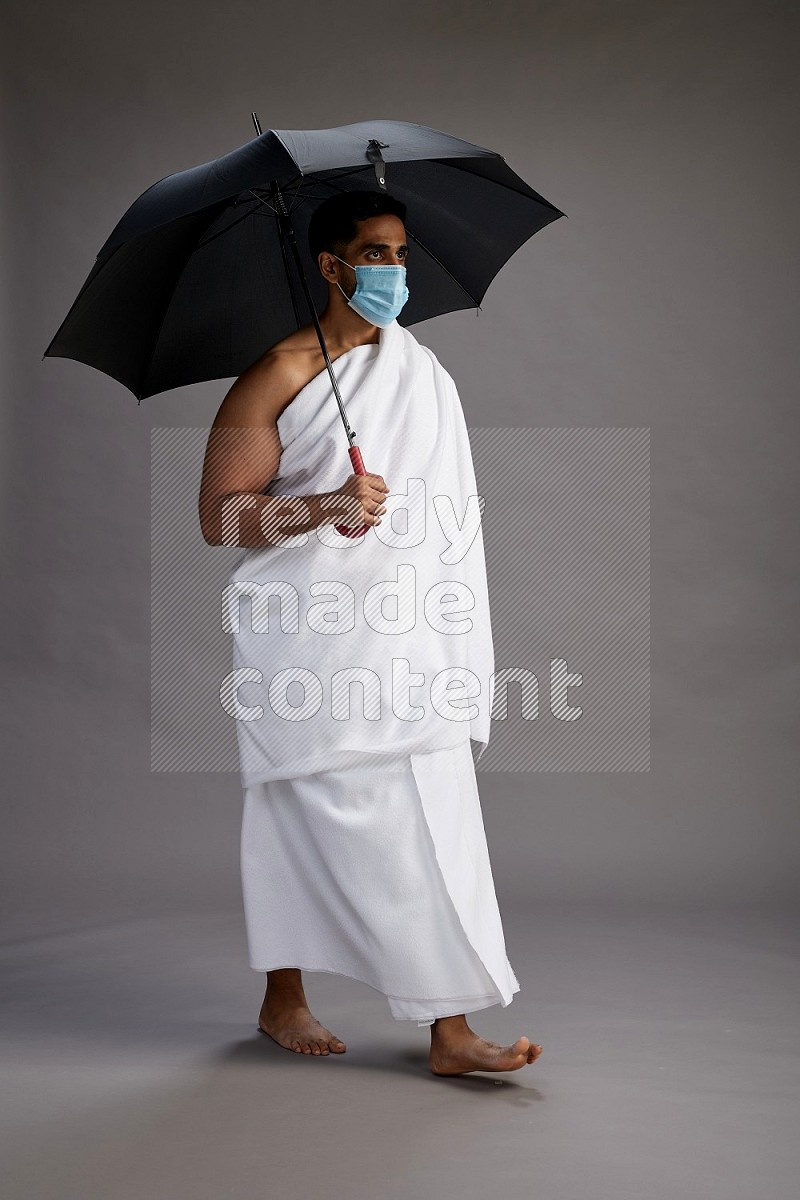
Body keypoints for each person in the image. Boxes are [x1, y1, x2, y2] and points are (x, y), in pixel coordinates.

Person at [199, 190, 542, 1075]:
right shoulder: (276, 372)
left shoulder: (420, 370)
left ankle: (451, 1029)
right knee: (293, 810)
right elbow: (222, 518)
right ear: (331, 266)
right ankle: (284, 999)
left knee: (436, 817)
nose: (395, 271)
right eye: (376, 254)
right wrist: (324, 506)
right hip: (309, 638)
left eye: (400, 254)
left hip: (414, 631)